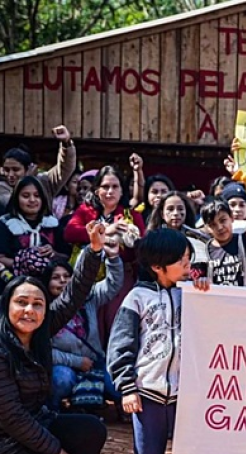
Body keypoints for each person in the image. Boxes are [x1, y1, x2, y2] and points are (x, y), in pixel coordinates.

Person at [107, 229, 220, 454]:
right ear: (158, 266)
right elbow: (120, 346)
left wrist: (204, 289)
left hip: (187, 395)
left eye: (188, 259)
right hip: (147, 395)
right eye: (181, 261)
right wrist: (127, 387)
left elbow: (214, 324)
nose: (187, 265)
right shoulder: (136, 298)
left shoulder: (192, 292)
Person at [0, 221, 107, 454]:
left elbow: (74, 295)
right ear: (7, 306)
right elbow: (11, 417)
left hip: (37, 423)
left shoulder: (40, 332)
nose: (29, 310)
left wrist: (94, 250)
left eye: (37, 304)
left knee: (91, 430)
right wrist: (57, 452)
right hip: (5, 442)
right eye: (21, 302)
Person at [65, 165, 146, 346]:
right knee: (86, 327)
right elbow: (70, 232)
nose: (110, 192)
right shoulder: (85, 211)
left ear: (122, 190)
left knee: (114, 324)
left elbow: (140, 250)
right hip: (86, 277)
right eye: (105, 187)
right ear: (96, 190)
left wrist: (130, 238)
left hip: (119, 278)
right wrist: (107, 231)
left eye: (115, 187)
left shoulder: (131, 215)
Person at [42, 245, 123, 412]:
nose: (63, 281)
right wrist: (77, 362)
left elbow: (112, 285)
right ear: (47, 282)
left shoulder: (89, 298)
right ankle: (54, 411)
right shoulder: (42, 311)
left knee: (118, 386)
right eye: (56, 277)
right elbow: (44, 351)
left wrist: (113, 258)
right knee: (61, 380)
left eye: (67, 276)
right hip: (65, 367)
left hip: (95, 363)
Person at [0, 176, 62, 274]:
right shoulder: (5, 224)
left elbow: (66, 255)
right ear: (16, 198)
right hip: (14, 281)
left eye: (37, 195)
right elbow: (1, 258)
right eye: (25, 196)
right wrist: (25, 264)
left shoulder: (53, 223)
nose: (32, 200)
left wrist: (53, 253)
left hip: (49, 280)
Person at [2, 126, 76, 207]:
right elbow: (9, 205)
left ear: (29, 168)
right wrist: (26, 181)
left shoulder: (44, 182)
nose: (10, 174)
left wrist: (66, 143)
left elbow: (65, 168)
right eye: (6, 170)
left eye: (15, 169)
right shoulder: (2, 188)